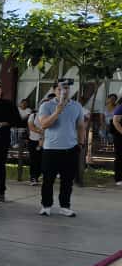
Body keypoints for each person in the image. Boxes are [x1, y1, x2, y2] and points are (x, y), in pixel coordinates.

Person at [37, 80, 86, 217]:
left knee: (67, 181)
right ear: (54, 90)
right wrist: (57, 112)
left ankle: (65, 206)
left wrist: (80, 143)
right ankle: (46, 206)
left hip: (70, 149)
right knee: (48, 180)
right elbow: (44, 124)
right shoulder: (46, 105)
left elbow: (80, 126)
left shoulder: (76, 106)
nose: (64, 91)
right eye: (60, 89)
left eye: (66, 88)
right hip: (51, 149)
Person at [26, 99, 46, 186]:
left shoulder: (50, 116)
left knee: (43, 160)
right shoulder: (33, 115)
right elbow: (31, 127)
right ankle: (33, 177)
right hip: (33, 140)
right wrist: (41, 132)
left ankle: (40, 176)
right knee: (34, 160)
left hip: (46, 142)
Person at [111, 94, 122, 186]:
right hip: (120, 137)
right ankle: (118, 178)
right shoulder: (121, 107)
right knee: (120, 157)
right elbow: (115, 121)